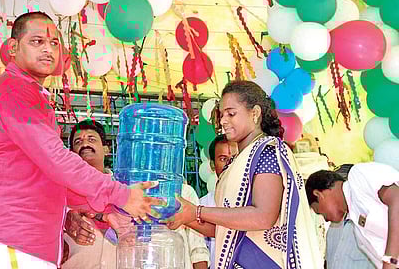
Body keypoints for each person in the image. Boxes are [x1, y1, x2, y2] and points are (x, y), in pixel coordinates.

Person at [0, 12, 161, 269]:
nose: (48, 49)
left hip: (25, 245)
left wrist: (106, 209)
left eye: (54, 43)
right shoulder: (14, 90)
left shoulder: (30, 93)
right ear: (13, 47)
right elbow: (56, 159)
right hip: (12, 240)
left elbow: (50, 177)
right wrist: (122, 195)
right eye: (36, 41)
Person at [166, 80, 323, 269]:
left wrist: (198, 211)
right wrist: (186, 217)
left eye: (231, 113)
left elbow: (263, 216)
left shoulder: (267, 152)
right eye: (221, 114)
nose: (223, 121)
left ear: (255, 113)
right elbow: (226, 231)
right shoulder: (239, 161)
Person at [62, 120, 210, 269]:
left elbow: (199, 247)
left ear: (106, 149)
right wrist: (65, 220)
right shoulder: (61, 190)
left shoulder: (128, 190)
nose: (85, 144)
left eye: (91, 139)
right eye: (78, 141)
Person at [306, 162, 399, 269]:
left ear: (318, 194)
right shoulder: (360, 235)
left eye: (319, 212)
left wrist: (389, 260)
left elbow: (397, 199)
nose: (326, 220)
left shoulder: (358, 175)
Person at [199, 134, 234, 268]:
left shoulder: (256, 202)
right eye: (223, 159)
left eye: (234, 158)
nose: (230, 164)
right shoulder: (202, 206)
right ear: (213, 165)